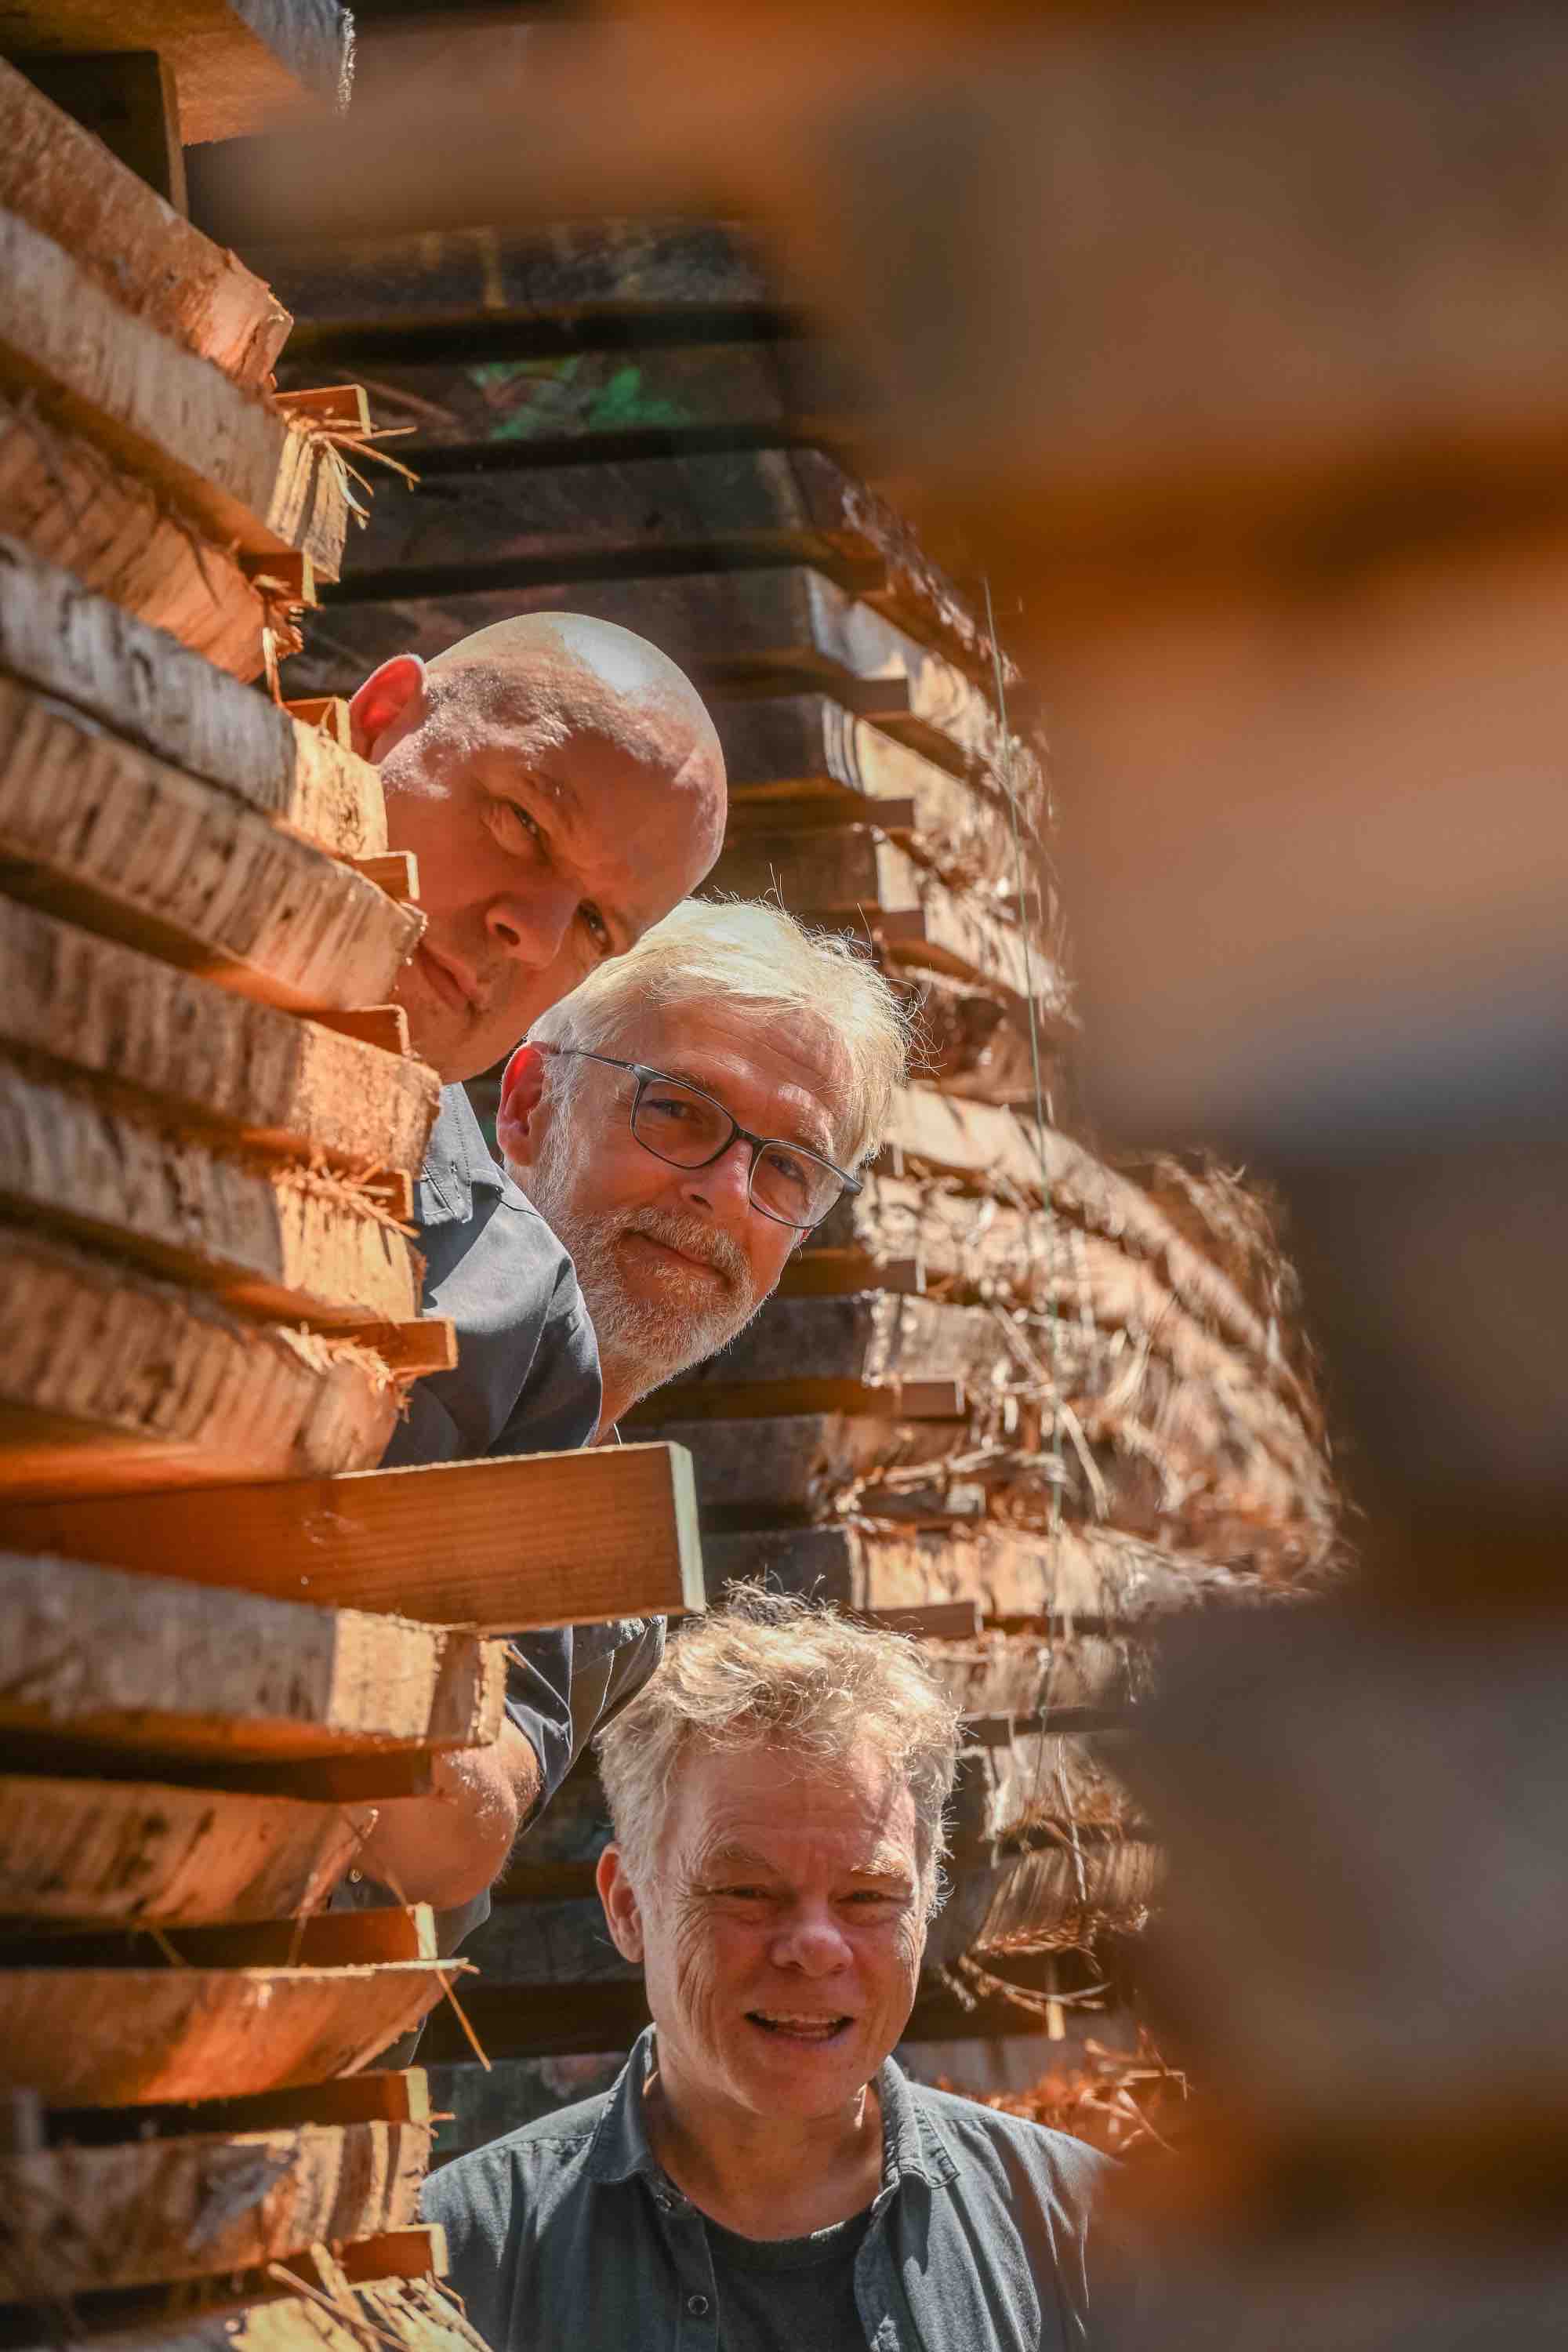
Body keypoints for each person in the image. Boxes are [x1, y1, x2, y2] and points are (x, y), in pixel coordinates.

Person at [423, 1592, 1112, 2350]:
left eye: (867, 1897)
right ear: (628, 1906)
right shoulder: (460, 2259)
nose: (815, 1946)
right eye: (747, 1892)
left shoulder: (1085, 2239)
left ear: (925, 1911)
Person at [339, 615, 726, 1922]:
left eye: (598, 925)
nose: (528, 928)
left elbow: (471, 1827)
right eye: (521, 822)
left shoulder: (517, 1304)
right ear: (381, 720)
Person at [495, 898, 910, 1439]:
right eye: (677, 1110)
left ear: (805, 1230)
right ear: (531, 1103)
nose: (729, 1194)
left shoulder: (578, 1483)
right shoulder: (392, 1411)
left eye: (787, 1166)